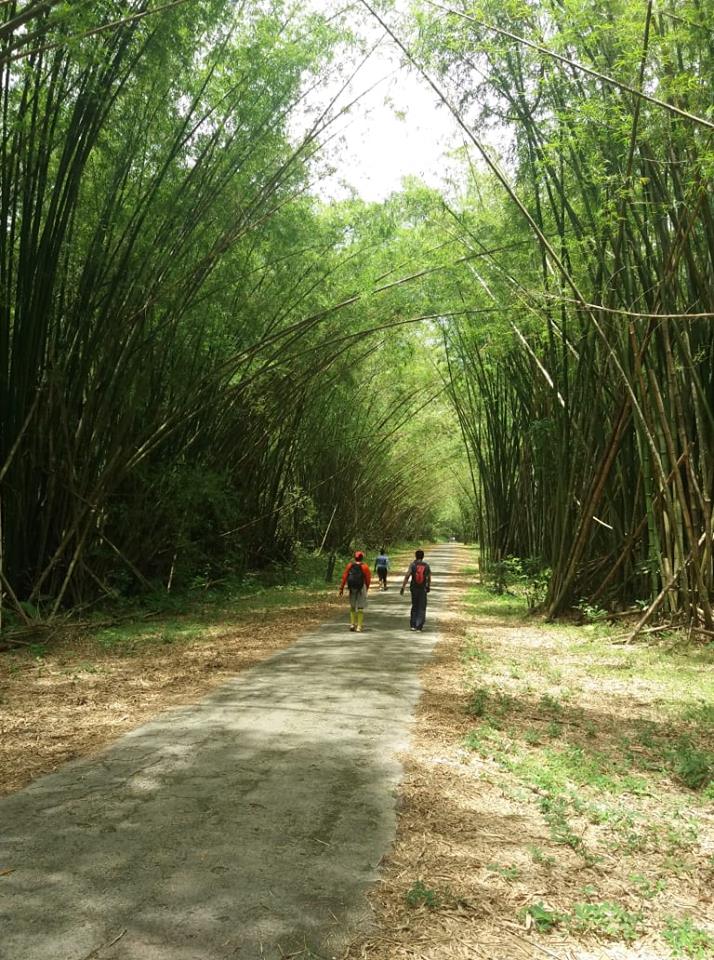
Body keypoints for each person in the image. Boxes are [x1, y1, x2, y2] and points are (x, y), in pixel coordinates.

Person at [339, 550, 371, 632]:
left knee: (352, 607)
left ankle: (352, 624)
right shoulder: (365, 567)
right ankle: (359, 626)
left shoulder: (350, 565)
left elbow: (344, 576)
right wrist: (366, 587)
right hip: (361, 587)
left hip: (352, 587)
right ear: (362, 558)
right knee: (360, 608)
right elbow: (368, 579)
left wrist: (341, 588)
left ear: (355, 558)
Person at [400, 548, 431, 631]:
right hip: (423, 589)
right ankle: (419, 626)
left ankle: (413, 625)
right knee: (422, 607)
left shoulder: (413, 565)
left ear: (415, 556)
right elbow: (428, 577)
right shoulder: (426, 565)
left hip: (414, 588)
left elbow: (407, 576)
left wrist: (403, 587)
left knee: (414, 605)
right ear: (423, 556)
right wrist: (428, 587)